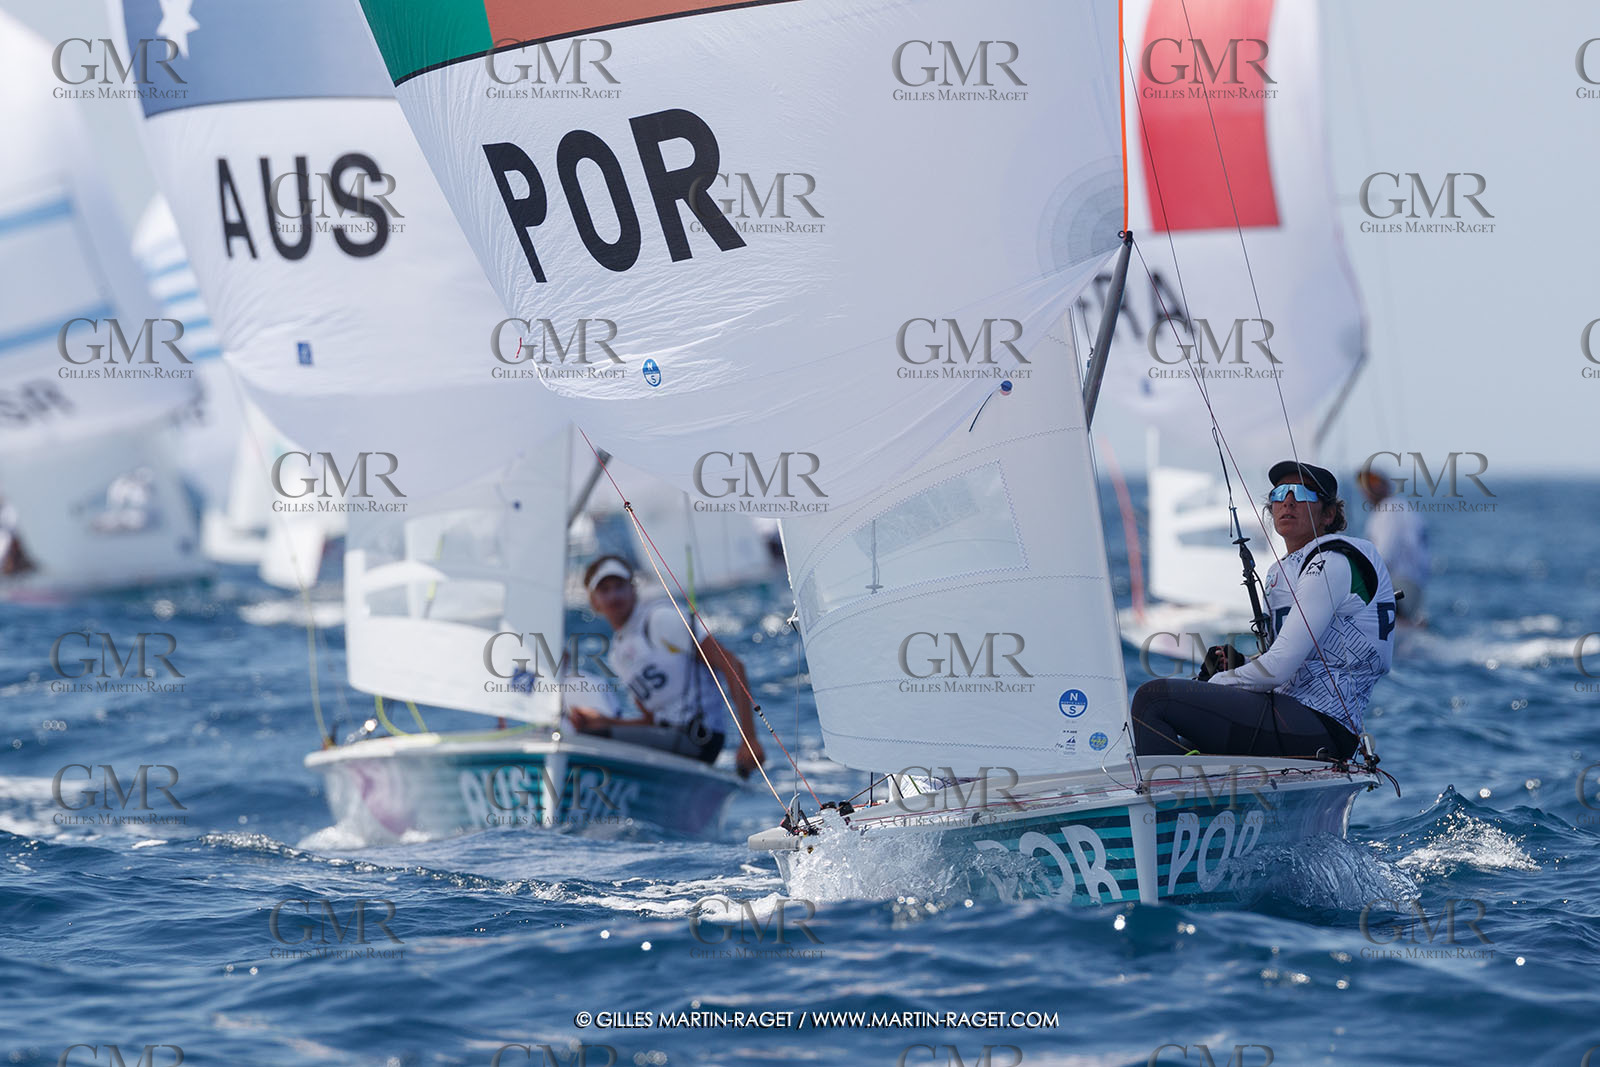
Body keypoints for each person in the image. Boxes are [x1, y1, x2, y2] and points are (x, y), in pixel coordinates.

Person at [1131, 461, 1396, 760]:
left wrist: (1222, 684)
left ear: (1329, 514)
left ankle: (1167, 802)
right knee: (1180, 730)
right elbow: (1294, 663)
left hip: (1320, 725)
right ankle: (1191, 791)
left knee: (1152, 701)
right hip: (1296, 715)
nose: (1289, 501)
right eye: (1280, 493)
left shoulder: (1331, 563)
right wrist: (1240, 663)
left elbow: (1279, 666)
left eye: (1303, 493)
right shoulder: (1288, 570)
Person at [569, 554, 765, 776]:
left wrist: (749, 738)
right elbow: (651, 721)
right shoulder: (618, 653)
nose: (614, 595)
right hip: (668, 737)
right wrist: (605, 722)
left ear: (633, 589)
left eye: (619, 586)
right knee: (586, 732)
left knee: (588, 741)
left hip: (698, 739)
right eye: (604, 590)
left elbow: (732, 665)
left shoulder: (660, 619)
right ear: (593, 601)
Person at [1357, 467, 1430, 625]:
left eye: (1374, 481)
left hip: (1398, 585)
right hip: (1414, 587)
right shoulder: (1402, 507)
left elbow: (1383, 555)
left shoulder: (1387, 510)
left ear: (1386, 484)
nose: (1369, 487)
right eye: (1364, 483)